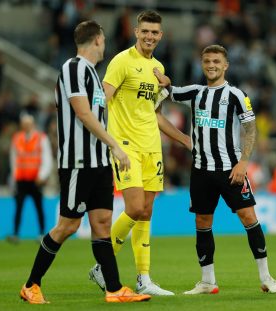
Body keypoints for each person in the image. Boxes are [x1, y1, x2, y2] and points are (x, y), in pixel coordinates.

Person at [19, 20, 151, 304]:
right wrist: (115, 145)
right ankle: (31, 285)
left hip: (98, 162)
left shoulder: (92, 73)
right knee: (68, 225)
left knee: (102, 223)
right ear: (98, 40)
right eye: (103, 39)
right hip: (78, 161)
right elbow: (82, 113)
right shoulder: (73, 68)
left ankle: (114, 289)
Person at [156, 44, 276, 294]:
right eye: (207, 61)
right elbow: (165, 93)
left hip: (230, 169)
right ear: (202, 64)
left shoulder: (236, 95)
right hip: (201, 171)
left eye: (216, 61)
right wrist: (165, 82)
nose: (211, 65)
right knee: (203, 221)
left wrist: (244, 162)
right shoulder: (194, 92)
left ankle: (267, 278)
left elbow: (250, 128)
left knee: (249, 217)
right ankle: (207, 282)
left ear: (226, 65)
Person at [88, 10, 189, 296]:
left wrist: (185, 139)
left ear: (161, 36)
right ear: (136, 32)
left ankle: (144, 278)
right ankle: (102, 267)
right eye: (145, 31)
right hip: (125, 146)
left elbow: (155, 114)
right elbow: (102, 99)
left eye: (155, 32)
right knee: (133, 208)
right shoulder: (121, 61)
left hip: (151, 147)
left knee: (145, 212)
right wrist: (100, 135)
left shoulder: (158, 68)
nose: (149, 36)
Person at [6, 113, 53, 244]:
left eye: (28, 124)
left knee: (39, 207)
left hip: (35, 179)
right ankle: (15, 234)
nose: (26, 126)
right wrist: (13, 177)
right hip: (21, 179)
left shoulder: (41, 138)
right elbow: (13, 159)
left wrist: (42, 175)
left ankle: (42, 233)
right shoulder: (17, 138)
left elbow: (47, 158)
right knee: (19, 207)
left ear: (32, 124)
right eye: (24, 124)